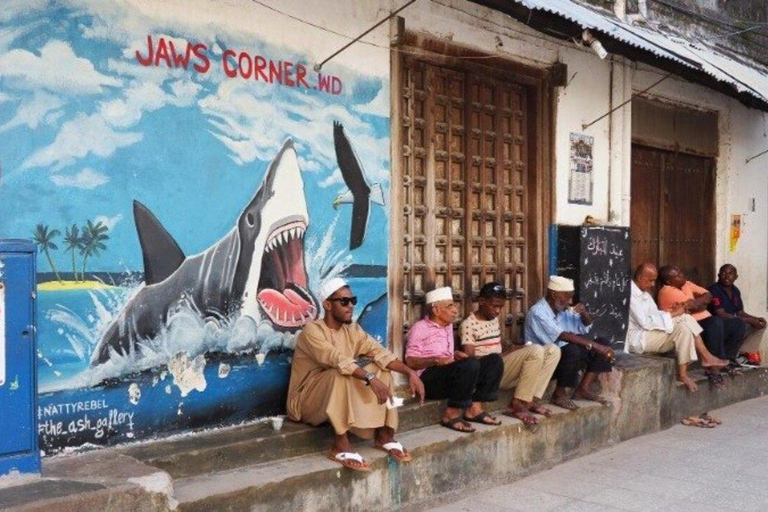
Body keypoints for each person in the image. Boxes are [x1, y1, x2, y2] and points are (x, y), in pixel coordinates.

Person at [287, 277, 425, 472]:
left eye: (353, 301)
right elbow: (336, 359)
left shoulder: (352, 330)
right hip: (305, 401)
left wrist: (410, 372)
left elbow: (380, 353)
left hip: (336, 394)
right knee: (340, 373)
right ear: (327, 304)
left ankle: (385, 435)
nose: (350, 306)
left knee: (382, 368)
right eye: (344, 301)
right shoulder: (312, 331)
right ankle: (340, 446)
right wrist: (370, 379)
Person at [461, 282, 560, 429]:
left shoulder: (493, 320)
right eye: (494, 306)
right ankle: (517, 404)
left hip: (504, 367)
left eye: (500, 307)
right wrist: (508, 353)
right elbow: (471, 362)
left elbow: (499, 344)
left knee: (553, 350)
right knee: (536, 351)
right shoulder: (469, 324)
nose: (497, 311)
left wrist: (516, 348)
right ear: (481, 302)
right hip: (489, 375)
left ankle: (530, 400)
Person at [405, 286, 503, 434]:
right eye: (450, 306)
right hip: (429, 380)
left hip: (446, 374)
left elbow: (445, 352)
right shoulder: (420, 328)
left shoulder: (448, 326)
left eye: (454, 305)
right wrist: (436, 360)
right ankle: (451, 414)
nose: (455, 310)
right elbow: (410, 361)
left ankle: (474, 409)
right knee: (470, 364)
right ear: (436, 310)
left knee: (494, 361)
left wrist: (455, 354)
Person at [627, 263, 728, 392]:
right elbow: (645, 323)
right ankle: (704, 358)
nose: (653, 284)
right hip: (639, 339)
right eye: (650, 280)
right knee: (683, 325)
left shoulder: (645, 294)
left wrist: (675, 312)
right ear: (640, 278)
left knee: (685, 321)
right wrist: (674, 313)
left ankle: (690, 368)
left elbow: (656, 314)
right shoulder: (630, 294)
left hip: (651, 333)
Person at [524, 276, 615, 411]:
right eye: (567, 297)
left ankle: (583, 388)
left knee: (603, 343)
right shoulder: (538, 312)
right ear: (554, 294)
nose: (570, 301)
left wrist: (584, 313)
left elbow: (586, 325)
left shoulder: (563, 310)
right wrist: (595, 346)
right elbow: (562, 335)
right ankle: (559, 393)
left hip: (567, 360)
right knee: (572, 348)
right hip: (546, 362)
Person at [658, 265, 745, 375]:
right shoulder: (667, 291)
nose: (682, 275)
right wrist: (702, 303)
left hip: (704, 322)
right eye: (678, 275)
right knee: (715, 322)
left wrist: (699, 304)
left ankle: (728, 360)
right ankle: (715, 365)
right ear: (669, 281)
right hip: (690, 326)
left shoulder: (686, 284)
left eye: (680, 272)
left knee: (738, 324)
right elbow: (695, 306)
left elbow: (708, 295)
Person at [708, 264, 767, 363]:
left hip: (734, 322)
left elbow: (740, 312)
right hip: (717, 327)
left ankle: (742, 354)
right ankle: (729, 357)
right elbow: (721, 314)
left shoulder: (735, 291)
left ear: (736, 277)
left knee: (760, 325)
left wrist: (756, 318)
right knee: (740, 324)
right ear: (718, 275)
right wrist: (749, 320)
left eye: (730, 274)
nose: (727, 276)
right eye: (724, 273)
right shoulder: (714, 290)